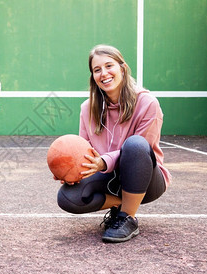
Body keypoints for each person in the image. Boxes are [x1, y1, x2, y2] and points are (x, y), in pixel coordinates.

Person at [56, 44, 171, 243]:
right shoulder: (87, 108)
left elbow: (143, 149)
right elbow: (84, 151)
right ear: (93, 76)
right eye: (97, 70)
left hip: (147, 180)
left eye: (109, 66)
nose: (104, 74)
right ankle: (123, 204)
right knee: (67, 197)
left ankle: (127, 217)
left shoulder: (148, 103)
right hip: (108, 177)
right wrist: (70, 171)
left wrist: (103, 162)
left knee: (135, 145)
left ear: (122, 69)